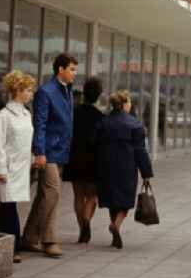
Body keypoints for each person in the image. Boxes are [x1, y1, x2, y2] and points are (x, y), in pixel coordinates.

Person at [22, 53, 77, 258]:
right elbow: (40, 124)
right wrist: (39, 151)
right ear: (60, 69)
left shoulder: (67, 91)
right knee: (53, 193)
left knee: (44, 196)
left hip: (61, 151)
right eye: (71, 69)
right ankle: (48, 240)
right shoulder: (46, 91)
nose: (74, 73)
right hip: (48, 152)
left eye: (75, 69)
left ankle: (28, 238)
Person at [95, 90, 153, 249]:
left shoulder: (103, 122)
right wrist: (146, 173)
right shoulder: (134, 124)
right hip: (126, 167)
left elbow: (96, 145)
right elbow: (140, 150)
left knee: (113, 200)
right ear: (125, 104)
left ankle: (115, 226)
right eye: (129, 103)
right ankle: (116, 224)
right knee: (125, 201)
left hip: (106, 166)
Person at [0, 70, 36, 263]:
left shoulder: (27, 114)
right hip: (8, 169)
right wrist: (0, 170)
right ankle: (13, 247)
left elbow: (26, 141)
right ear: (18, 91)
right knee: (9, 206)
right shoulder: (4, 116)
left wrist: (33, 159)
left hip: (22, 168)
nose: (31, 93)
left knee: (8, 205)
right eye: (28, 90)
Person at [63, 76, 103, 244]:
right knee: (92, 196)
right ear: (98, 95)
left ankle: (82, 229)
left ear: (84, 93)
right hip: (93, 159)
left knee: (78, 195)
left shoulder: (73, 113)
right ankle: (86, 220)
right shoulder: (100, 116)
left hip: (75, 157)